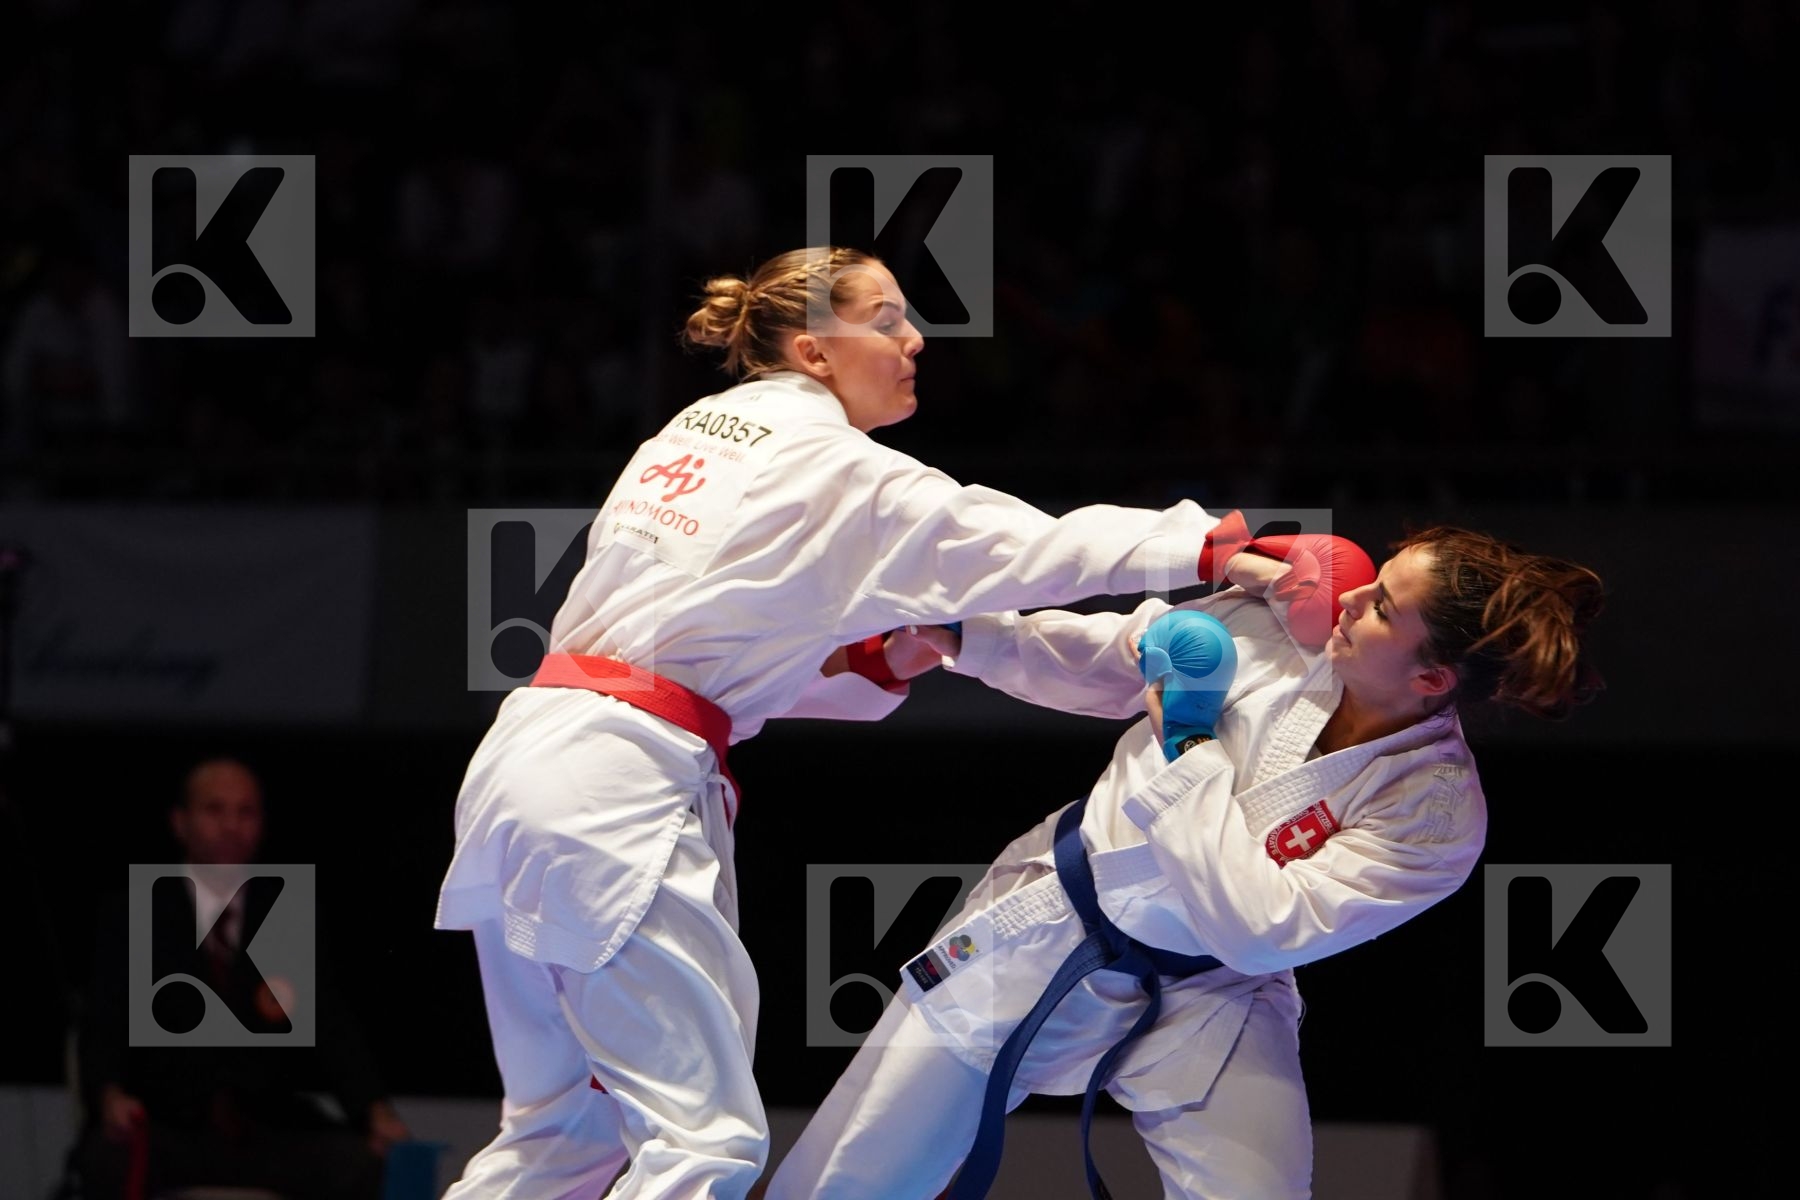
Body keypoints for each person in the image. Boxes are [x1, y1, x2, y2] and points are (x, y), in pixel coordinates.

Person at [433, 245, 1249, 1199]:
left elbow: (698, 642)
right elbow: (1021, 544)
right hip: (613, 782)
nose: (916, 338)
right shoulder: (835, 463)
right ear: (816, 352)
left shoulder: (694, 430)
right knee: (706, 1144)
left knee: (562, 1132)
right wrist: (1212, 543)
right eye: (887, 317)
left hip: (531, 759)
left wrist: (868, 660)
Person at [766, 522, 1605, 1199]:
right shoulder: (1282, 632)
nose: (1347, 598)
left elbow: (1259, 929)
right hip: (1049, 922)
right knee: (851, 1179)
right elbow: (1113, 658)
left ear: (1432, 681)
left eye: (1384, 606)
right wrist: (962, 635)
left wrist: (1190, 745)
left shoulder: (1435, 817)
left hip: (1213, 994)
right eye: (1373, 578)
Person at [74, 757, 411, 1200]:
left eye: (245, 812)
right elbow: (105, 1018)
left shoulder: (285, 913)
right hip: (167, 1125)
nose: (231, 825)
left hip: (267, 1127)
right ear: (181, 822)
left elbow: (331, 1025)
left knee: (359, 1164)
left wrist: (374, 1109)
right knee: (106, 1159)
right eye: (215, 810)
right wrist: (110, 1095)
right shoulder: (139, 909)